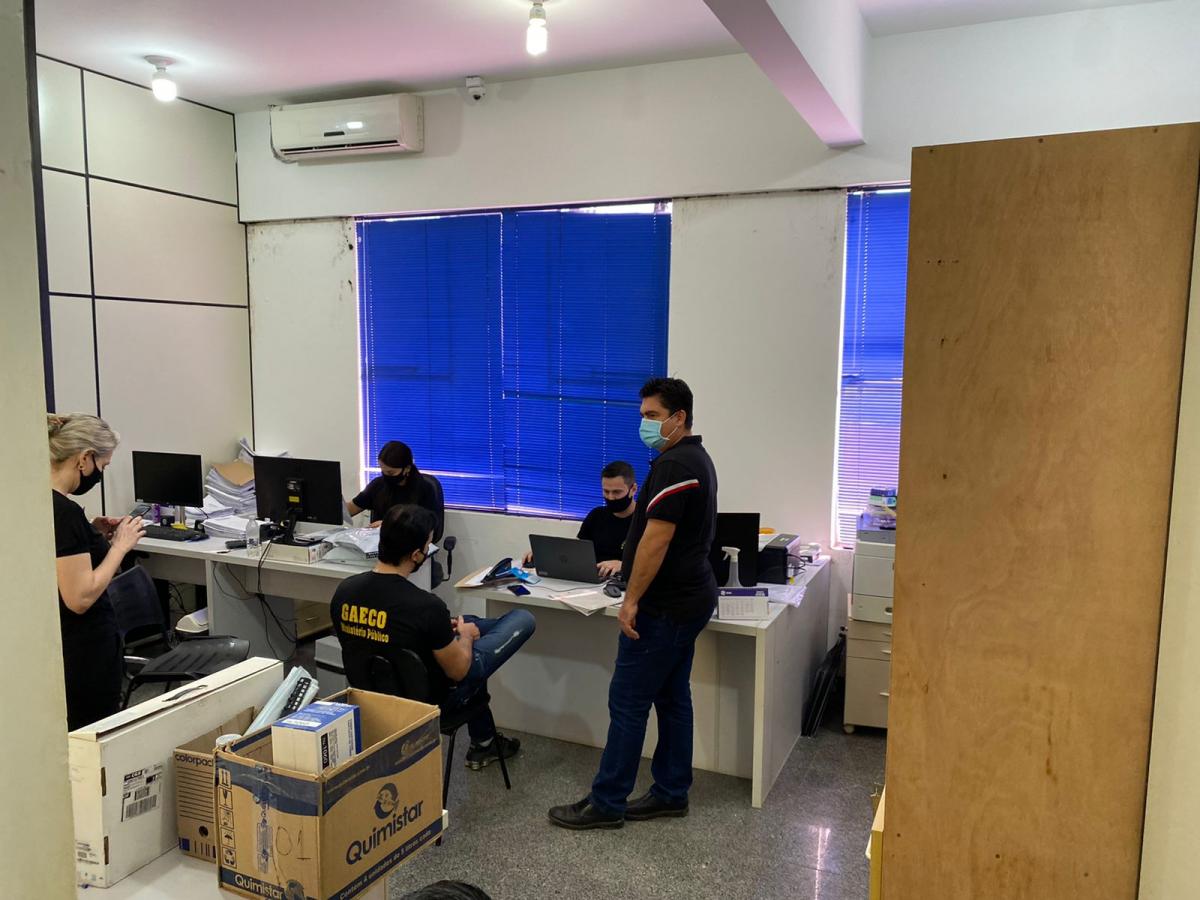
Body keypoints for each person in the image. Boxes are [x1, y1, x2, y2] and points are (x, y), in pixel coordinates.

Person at [548, 377, 718, 829]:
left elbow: (655, 542)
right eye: (642, 415)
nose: (644, 423)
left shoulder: (675, 465)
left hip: (665, 606)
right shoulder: (694, 457)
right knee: (672, 696)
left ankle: (607, 802)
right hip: (690, 598)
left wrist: (631, 600)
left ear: (679, 417)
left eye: (653, 416)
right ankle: (671, 792)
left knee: (627, 701)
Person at [331, 504, 536, 769]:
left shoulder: (344, 591)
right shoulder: (426, 606)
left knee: (467, 622)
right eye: (428, 545)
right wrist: (465, 638)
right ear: (416, 555)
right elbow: (459, 671)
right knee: (522, 619)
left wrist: (449, 631)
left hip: (371, 695)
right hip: (431, 702)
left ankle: (484, 742)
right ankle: (484, 741)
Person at [48, 414, 146, 730]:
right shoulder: (64, 513)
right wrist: (120, 547)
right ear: (84, 459)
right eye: (102, 466)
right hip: (84, 652)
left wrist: (92, 533)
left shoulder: (43, 504)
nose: (100, 474)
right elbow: (80, 597)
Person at [522, 461, 638, 579]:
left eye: (617, 492)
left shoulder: (644, 521)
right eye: (606, 491)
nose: (610, 497)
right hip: (594, 580)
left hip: (625, 581)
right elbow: (576, 551)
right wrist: (544, 555)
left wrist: (624, 565)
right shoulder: (597, 515)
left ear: (633, 489)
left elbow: (650, 565)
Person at [347, 441, 442, 533]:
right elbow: (352, 508)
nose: (386, 475)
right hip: (378, 539)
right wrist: (339, 507)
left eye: (390, 473)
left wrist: (388, 525)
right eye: (383, 470)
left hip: (410, 540)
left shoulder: (425, 489)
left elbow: (428, 525)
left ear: (407, 468)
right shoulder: (378, 484)